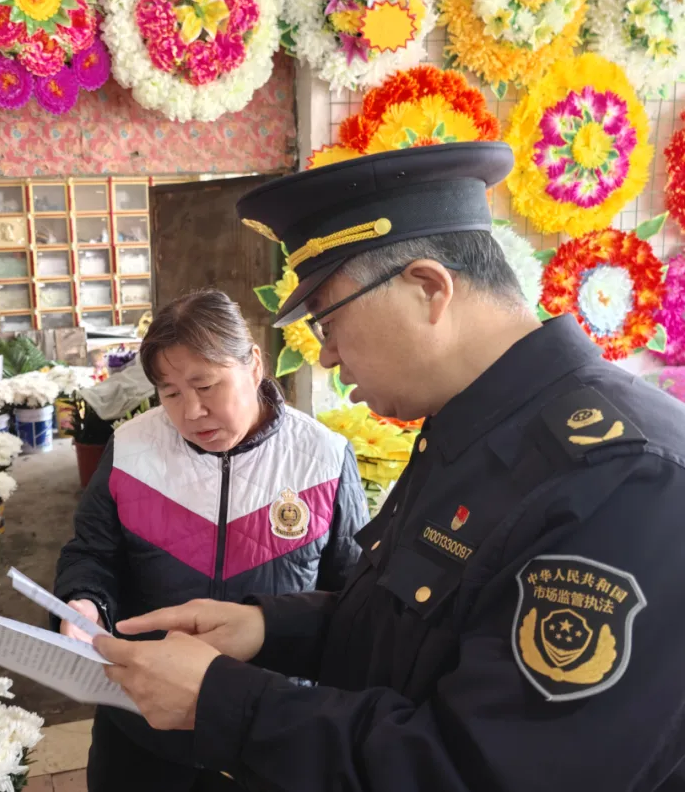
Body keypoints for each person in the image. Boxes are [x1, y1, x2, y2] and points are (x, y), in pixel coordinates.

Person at [91, 142, 685, 791]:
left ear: (428, 288)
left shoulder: (626, 478)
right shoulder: (472, 428)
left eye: (330, 320)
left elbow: (482, 770)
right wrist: (268, 627)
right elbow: (399, 628)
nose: (327, 357)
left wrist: (225, 704)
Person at [53, 289, 370, 792]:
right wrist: (84, 601)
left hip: (268, 729)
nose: (193, 411)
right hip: (142, 722)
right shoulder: (133, 448)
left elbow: (354, 593)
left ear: (254, 365)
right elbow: (92, 552)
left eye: (206, 384)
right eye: (171, 392)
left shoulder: (322, 457)